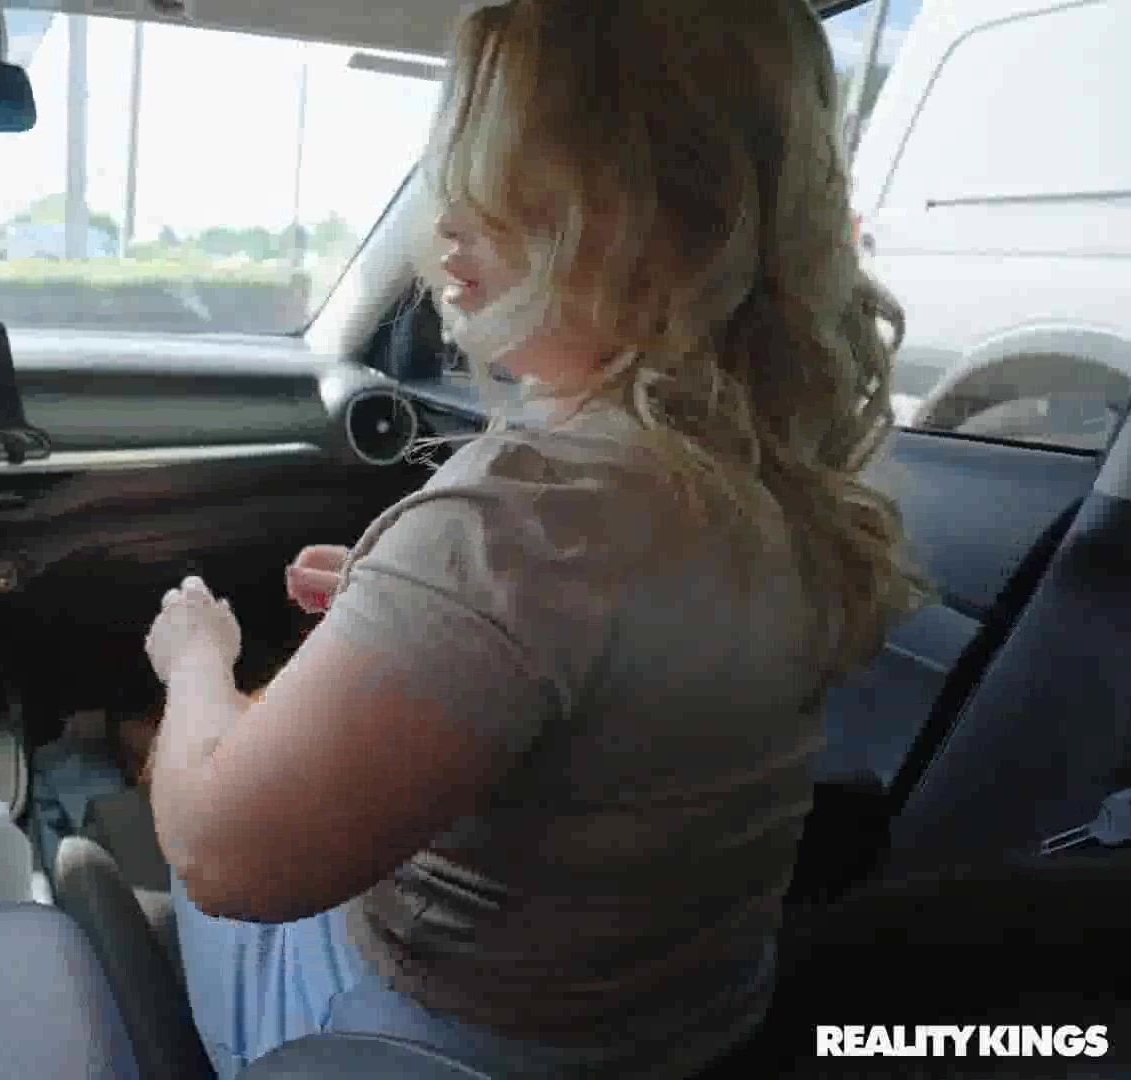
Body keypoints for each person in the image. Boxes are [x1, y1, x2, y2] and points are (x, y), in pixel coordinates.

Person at [138, 1, 922, 1077]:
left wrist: (196, 662)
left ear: (657, 207)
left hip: (426, 1040)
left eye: (511, 169)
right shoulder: (787, 480)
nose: (449, 217)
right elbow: (616, 681)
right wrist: (398, 600)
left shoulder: (528, 516)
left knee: (166, 805)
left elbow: (226, 858)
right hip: (686, 1030)